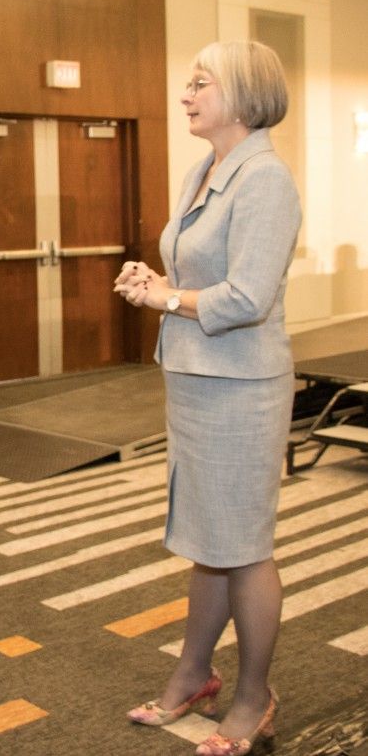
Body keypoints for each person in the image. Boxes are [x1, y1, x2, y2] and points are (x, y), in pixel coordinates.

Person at [114, 40, 300, 756]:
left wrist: (170, 295)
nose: (185, 94)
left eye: (200, 83)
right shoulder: (206, 168)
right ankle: (194, 672)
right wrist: (152, 282)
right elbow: (195, 270)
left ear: (245, 95)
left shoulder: (267, 180)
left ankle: (255, 697)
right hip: (195, 376)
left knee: (243, 547)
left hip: (241, 387)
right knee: (208, 539)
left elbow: (249, 295)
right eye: (187, 82)